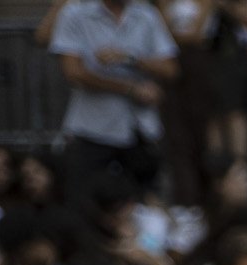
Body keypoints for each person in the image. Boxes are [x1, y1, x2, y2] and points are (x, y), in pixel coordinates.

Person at [51, 0, 177, 195]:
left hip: (140, 130)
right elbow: (73, 72)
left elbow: (170, 69)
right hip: (91, 129)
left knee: (143, 202)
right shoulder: (74, 13)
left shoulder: (146, 14)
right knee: (84, 201)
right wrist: (130, 89)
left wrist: (129, 58)